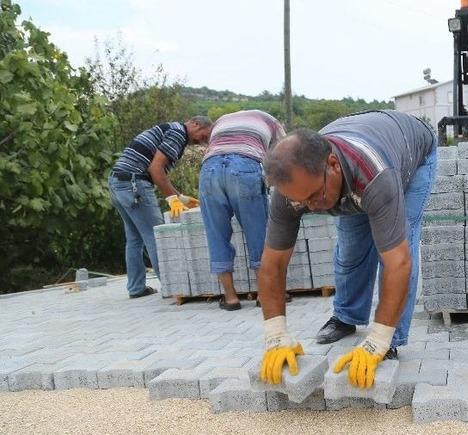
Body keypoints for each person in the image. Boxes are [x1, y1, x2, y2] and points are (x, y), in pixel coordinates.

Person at [256, 110, 436, 388]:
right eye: (303, 201)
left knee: (401, 245)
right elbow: (272, 264)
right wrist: (275, 334)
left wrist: (377, 340)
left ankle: (388, 340)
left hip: (412, 151)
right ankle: (346, 317)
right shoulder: (292, 190)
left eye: (314, 195)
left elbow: (398, 263)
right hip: (357, 154)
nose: (312, 207)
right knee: (351, 249)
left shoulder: (376, 176)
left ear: (333, 165)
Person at [108, 116, 212, 298]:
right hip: (134, 185)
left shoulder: (171, 129)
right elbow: (155, 169)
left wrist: (180, 197)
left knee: (134, 239)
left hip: (118, 183)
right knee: (157, 236)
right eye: (204, 136)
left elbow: (155, 169)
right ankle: (174, 288)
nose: (202, 141)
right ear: (195, 124)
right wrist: (171, 198)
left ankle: (136, 288)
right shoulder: (179, 133)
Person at [198, 110, 286, 310]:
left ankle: (230, 298)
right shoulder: (272, 122)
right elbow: (284, 155)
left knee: (216, 234)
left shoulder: (221, 121)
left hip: (210, 169)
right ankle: (264, 295)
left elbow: (213, 147)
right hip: (245, 165)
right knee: (257, 233)